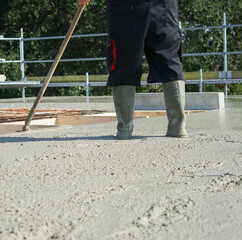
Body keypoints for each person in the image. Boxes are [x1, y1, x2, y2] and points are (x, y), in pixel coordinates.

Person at [79, 0, 187, 139]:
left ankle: (125, 129)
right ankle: (177, 127)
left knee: (123, 61)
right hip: (165, 6)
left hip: (127, 7)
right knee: (169, 60)